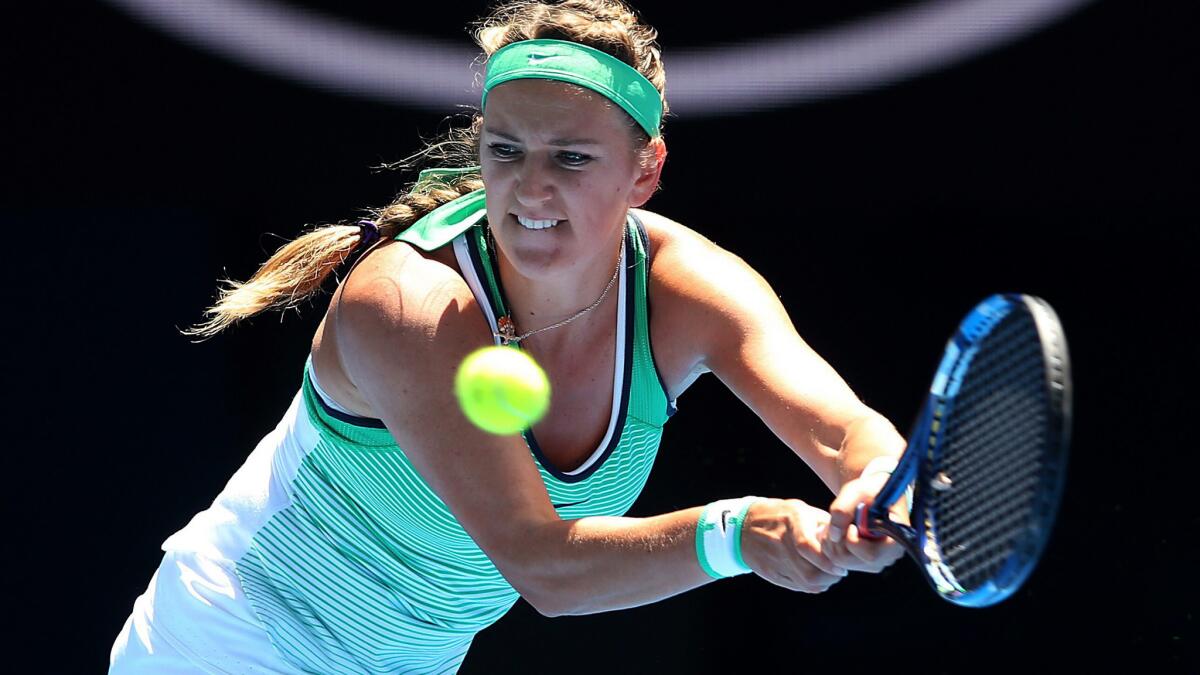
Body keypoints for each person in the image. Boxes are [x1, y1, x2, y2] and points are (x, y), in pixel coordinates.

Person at [110, 1, 911, 672]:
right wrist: (740, 532)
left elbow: (843, 430)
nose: (531, 186)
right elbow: (544, 566)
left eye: (571, 156)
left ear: (646, 169)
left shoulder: (692, 290)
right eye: (506, 150)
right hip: (225, 641)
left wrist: (880, 481)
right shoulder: (408, 302)